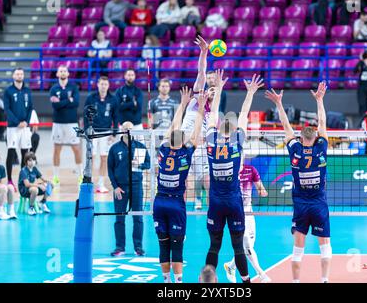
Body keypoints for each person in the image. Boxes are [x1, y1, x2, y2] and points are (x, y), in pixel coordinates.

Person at [265, 81, 332, 283]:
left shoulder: (295, 149)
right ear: (316, 138)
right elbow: (322, 123)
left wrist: (279, 103)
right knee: (325, 246)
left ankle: (295, 282)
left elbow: (286, 127)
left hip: (301, 206)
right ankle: (324, 280)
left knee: (297, 249)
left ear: (301, 138)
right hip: (319, 204)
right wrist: (320, 100)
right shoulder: (321, 148)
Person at [205, 70, 264, 284]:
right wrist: (250, 93)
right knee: (238, 246)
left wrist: (218, 89)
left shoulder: (211, 141)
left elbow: (212, 114)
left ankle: (208, 281)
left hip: (216, 202)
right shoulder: (237, 142)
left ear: (220, 129)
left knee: (214, 245)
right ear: (234, 131)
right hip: (233, 201)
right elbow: (244, 115)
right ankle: (246, 282)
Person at [153, 87, 207, 283]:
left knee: (163, 246)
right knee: (177, 247)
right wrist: (200, 108)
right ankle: (178, 283)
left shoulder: (163, 150)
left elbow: (172, 131)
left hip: (159, 202)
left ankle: (166, 281)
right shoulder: (186, 153)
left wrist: (182, 105)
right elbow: (196, 133)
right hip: (176, 203)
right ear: (182, 141)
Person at [181, 36, 226, 210]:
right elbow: (201, 72)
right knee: (182, 182)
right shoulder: (197, 98)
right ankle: (181, 211)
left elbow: (216, 136)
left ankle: (212, 212)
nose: (212, 92)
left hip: (200, 149)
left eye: (216, 90)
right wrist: (204, 52)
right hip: (184, 144)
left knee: (208, 182)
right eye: (211, 89)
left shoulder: (215, 114)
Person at [224, 158, 271, 283]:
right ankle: (261, 274)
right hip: (236, 214)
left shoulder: (251, 170)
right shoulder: (229, 172)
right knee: (248, 246)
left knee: (249, 246)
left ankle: (231, 266)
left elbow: (260, 187)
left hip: (249, 213)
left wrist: (262, 191)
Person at [108, 121, 150, 257]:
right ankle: (120, 247)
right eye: (125, 128)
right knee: (119, 218)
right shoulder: (114, 148)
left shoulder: (140, 147)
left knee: (138, 218)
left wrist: (141, 165)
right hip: (120, 188)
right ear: (121, 130)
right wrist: (115, 187)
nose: (128, 130)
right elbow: (110, 169)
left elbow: (148, 164)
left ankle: (138, 247)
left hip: (137, 186)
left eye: (130, 129)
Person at [83, 76, 119, 193]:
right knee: (91, 157)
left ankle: (101, 184)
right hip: (93, 131)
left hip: (106, 132)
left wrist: (114, 132)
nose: (103, 86)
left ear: (108, 86)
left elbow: (116, 116)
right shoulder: (91, 98)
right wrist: (87, 130)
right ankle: (89, 181)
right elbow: (85, 114)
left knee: (104, 158)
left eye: (105, 84)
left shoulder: (113, 99)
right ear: (98, 85)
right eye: (101, 84)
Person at [50, 65, 82, 185]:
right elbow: (55, 106)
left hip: (72, 122)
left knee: (76, 149)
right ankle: (56, 177)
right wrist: (69, 100)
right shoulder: (53, 89)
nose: (63, 73)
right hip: (58, 123)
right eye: (61, 71)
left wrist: (61, 103)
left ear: (68, 74)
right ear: (57, 74)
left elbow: (77, 103)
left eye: (65, 71)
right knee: (57, 150)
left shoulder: (73, 87)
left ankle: (80, 176)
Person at [3, 68, 33, 190]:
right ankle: (9, 180)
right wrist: (17, 122)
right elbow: (7, 109)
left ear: (23, 76)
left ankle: (22, 180)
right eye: (17, 74)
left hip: (25, 128)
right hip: (13, 128)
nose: (19, 76)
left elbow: (30, 108)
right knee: (11, 153)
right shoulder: (8, 91)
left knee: (25, 154)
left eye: (21, 74)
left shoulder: (27, 91)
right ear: (13, 76)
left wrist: (26, 121)